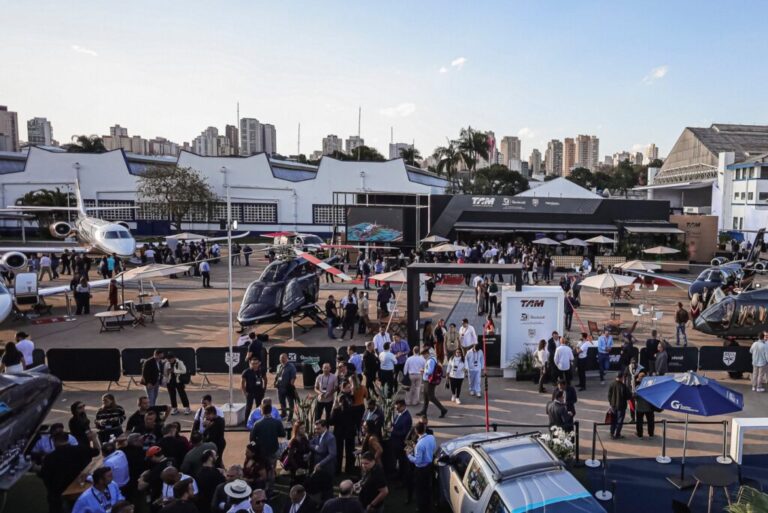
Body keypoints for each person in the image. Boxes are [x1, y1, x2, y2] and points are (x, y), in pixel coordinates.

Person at [40, 431, 100, 513]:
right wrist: (94, 438)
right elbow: (96, 451)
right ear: (67, 439)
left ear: (54, 441)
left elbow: (44, 475)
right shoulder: (79, 449)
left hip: (59, 492)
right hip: (78, 488)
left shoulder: (50, 458)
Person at [407, 422, 436, 513]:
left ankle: (421, 508)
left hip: (421, 470)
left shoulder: (419, 444)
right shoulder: (431, 437)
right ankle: (429, 507)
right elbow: (433, 448)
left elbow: (418, 461)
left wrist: (408, 455)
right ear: (424, 428)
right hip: (429, 466)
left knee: (420, 491)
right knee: (428, 488)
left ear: (416, 431)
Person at [306, 419, 336, 501]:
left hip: (327, 468)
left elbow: (332, 454)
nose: (316, 430)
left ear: (324, 427)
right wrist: (317, 448)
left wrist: (321, 464)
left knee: (328, 490)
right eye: (315, 428)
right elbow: (309, 443)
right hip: (318, 468)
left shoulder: (330, 438)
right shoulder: (318, 435)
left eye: (318, 429)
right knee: (320, 488)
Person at [417, 347, 447, 418]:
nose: (423, 357)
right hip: (427, 380)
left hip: (429, 381)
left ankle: (443, 409)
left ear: (427, 353)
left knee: (431, 397)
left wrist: (423, 371)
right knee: (425, 397)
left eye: (423, 355)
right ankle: (424, 411)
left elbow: (430, 371)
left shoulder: (430, 361)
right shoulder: (432, 359)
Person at [389, 399, 412, 479]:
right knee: (397, 459)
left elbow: (404, 433)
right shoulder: (399, 413)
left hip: (400, 444)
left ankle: (402, 478)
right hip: (395, 443)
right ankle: (398, 474)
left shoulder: (407, 418)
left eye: (398, 408)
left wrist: (392, 431)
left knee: (402, 462)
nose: (396, 410)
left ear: (403, 406)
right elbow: (395, 423)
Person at [274, 354, 297, 421]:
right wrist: (275, 382)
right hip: (280, 388)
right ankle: (283, 414)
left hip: (288, 388)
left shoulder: (291, 366)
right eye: (280, 358)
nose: (282, 359)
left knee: (290, 403)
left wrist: (291, 385)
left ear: (287, 358)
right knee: (282, 402)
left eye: (283, 358)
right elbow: (277, 375)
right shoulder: (279, 366)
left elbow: (293, 377)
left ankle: (290, 416)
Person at [608, 372, 630, 439]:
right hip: (621, 406)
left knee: (613, 420)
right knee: (619, 421)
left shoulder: (612, 384)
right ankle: (617, 434)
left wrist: (611, 403)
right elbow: (628, 396)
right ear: (621, 378)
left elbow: (609, 395)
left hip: (613, 406)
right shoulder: (623, 386)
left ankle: (611, 433)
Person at [634, 372, 656, 438]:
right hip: (649, 408)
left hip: (639, 408)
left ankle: (640, 435)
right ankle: (651, 434)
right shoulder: (650, 387)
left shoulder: (638, 387)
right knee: (650, 422)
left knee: (639, 422)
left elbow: (635, 397)